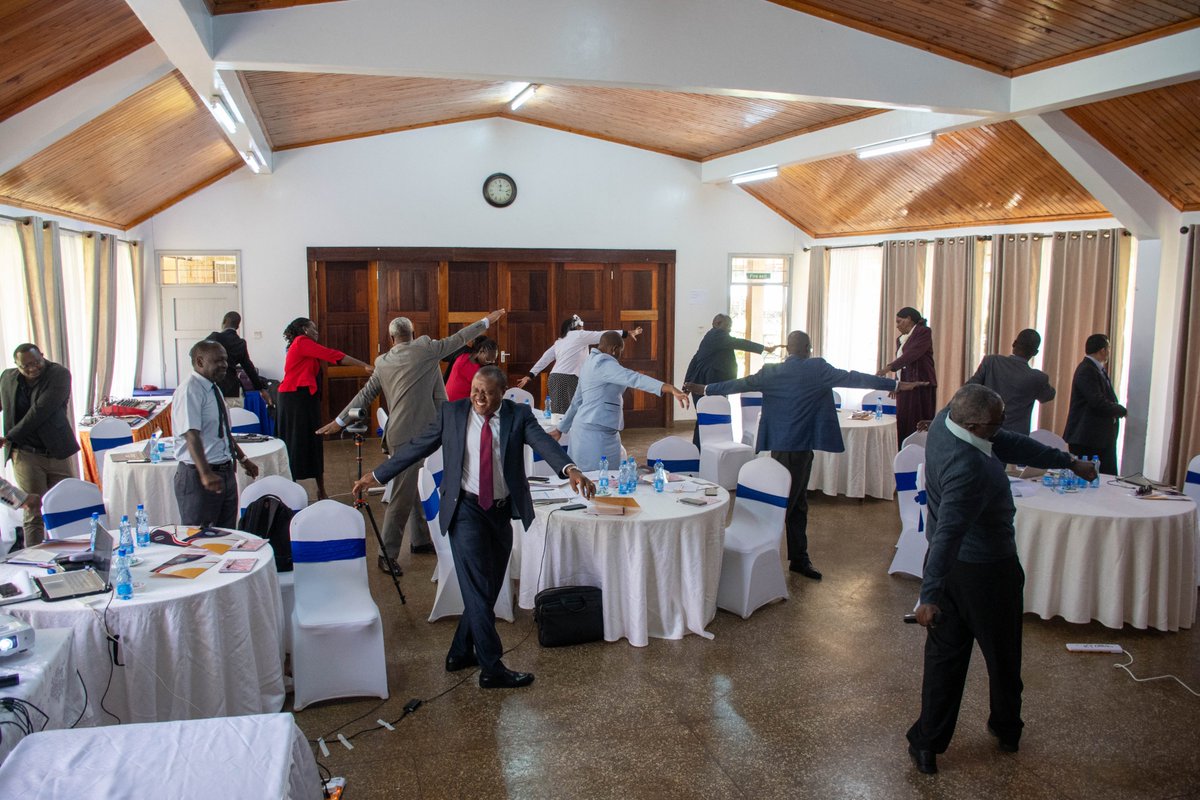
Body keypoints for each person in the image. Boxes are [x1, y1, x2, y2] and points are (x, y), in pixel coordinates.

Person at [352, 366, 595, 689]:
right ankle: (492, 667)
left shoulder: (517, 415)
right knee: (479, 589)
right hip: (465, 510)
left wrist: (571, 468)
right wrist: (377, 475)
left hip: (500, 512)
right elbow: (416, 447)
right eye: (476, 389)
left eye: (488, 392)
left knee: (490, 587)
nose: (479, 396)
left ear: (502, 393)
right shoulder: (452, 413)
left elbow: (542, 444)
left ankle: (459, 650)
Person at [906, 384, 1096, 775]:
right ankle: (1007, 729)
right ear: (976, 425)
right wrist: (928, 594)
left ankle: (927, 743)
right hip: (986, 571)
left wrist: (1067, 461)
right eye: (997, 421)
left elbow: (1009, 442)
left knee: (944, 659)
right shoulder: (968, 466)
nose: (1003, 425)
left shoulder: (947, 419)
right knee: (1003, 655)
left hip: (955, 571)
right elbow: (949, 534)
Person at [685, 331, 924, 580]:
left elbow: (739, 384)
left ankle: (794, 557)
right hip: (798, 448)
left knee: (795, 501)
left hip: (780, 445)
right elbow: (854, 378)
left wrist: (706, 388)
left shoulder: (771, 371)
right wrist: (895, 385)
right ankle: (765, 556)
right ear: (809, 348)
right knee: (786, 503)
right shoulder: (817, 368)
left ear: (788, 349)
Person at [318, 311, 503, 573]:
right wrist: (488, 320)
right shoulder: (426, 349)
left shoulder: (383, 361)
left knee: (416, 486)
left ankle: (420, 540)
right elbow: (461, 337)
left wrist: (339, 421)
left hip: (404, 434)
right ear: (413, 334)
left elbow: (365, 395)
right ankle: (386, 553)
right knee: (403, 496)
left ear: (391, 337)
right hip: (411, 436)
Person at [552, 330, 690, 470]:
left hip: (590, 430)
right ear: (614, 349)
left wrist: (560, 429)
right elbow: (634, 378)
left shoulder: (589, 363)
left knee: (607, 478)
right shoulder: (604, 364)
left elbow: (576, 401)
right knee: (601, 480)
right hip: (595, 435)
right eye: (621, 351)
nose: (620, 356)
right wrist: (669, 388)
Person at [277, 317, 372, 500]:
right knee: (296, 443)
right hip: (294, 401)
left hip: (305, 399)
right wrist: (363, 365)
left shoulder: (303, 345)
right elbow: (333, 355)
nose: (317, 332)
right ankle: (292, 490)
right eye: (314, 328)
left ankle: (320, 490)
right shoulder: (302, 342)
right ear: (304, 329)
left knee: (313, 443)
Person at [171, 340, 260, 528]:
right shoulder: (190, 390)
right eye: (218, 361)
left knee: (227, 535)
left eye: (226, 360)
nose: (225, 365)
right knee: (200, 540)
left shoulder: (213, 388)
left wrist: (243, 459)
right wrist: (205, 474)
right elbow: (191, 435)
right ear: (200, 362)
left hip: (224, 472)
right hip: (199, 476)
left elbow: (223, 432)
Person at [0, 344, 80, 547]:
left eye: (37, 362)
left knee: (68, 506)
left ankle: (75, 557)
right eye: (26, 365)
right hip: (24, 454)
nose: (33, 368)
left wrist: (8, 437)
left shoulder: (58, 374)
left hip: (56, 452)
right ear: (16, 365)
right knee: (33, 509)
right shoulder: (7, 378)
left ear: (42, 356)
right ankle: (33, 561)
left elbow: (40, 411)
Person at [683, 314, 779, 446]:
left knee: (705, 417)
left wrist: (686, 384)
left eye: (730, 326)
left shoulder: (711, 337)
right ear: (717, 323)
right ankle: (706, 447)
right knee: (708, 417)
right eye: (727, 325)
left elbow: (695, 359)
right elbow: (739, 343)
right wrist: (764, 348)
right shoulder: (717, 335)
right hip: (707, 383)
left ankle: (703, 448)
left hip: (705, 382)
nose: (729, 329)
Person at [515, 315, 642, 412]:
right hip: (567, 378)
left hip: (555, 378)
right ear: (575, 327)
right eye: (581, 325)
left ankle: (565, 441)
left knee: (561, 413)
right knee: (569, 413)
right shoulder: (579, 335)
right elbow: (603, 335)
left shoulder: (560, 341)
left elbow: (545, 359)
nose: (583, 328)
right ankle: (566, 442)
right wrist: (626, 333)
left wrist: (530, 375)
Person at [966, 329, 1056, 436]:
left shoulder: (991, 362)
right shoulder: (1037, 378)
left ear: (1014, 344)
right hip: (1015, 439)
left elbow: (969, 388)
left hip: (984, 433)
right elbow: (1048, 396)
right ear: (1035, 353)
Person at [1062, 333, 1126, 475]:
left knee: (1105, 475)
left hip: (1097, 437)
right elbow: (1096, 401)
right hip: (1087, 437)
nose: (1109, 352)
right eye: (1108, 348)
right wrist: (1120, 410)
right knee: (1091, 476)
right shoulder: (1087, 369)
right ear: (1103, 350)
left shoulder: (1096, 369)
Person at [879, 307, 937, 445]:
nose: (897, 326)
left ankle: (918, 456)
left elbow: (911, 355)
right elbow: (903, 365)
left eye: (900, 321)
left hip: (921, 385)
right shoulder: (900, 339)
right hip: (904, 386)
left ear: (909, 319)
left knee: (918, 422)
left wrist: (889, 367)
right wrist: (896, 383)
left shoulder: (923, 332)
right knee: (904, 421)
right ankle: (902, 453)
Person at [207, 311, 272, 410]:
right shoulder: (240, 343)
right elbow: (249, 368)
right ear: (237, 327)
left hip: (214, 389)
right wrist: (261, 389)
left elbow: (196, 352)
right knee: (237, 422)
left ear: (224, 321)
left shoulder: (215, 337)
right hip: (233, 390)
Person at [444, 337, 499, 402]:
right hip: (446, 398)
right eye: (488, 359)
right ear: (481, 352)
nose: (491, 362)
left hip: (464, 403)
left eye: (493, 360)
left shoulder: (484, 371)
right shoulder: (463, 351)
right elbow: (444, 355)